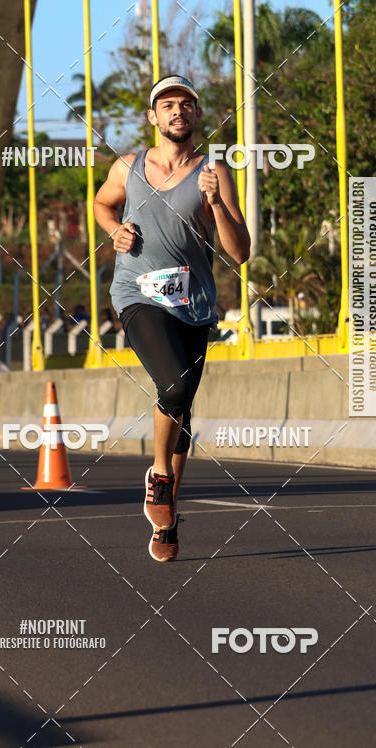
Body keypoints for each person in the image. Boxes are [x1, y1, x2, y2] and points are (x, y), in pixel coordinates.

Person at [94, 74, 250, 561]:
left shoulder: (214, 172)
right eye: (167, 105)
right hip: (137, 295)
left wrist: (217, 203)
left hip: (194, 303)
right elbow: (101, 202)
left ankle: (168, 519)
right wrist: (114, 229)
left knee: (181, 408)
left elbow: (240, 252)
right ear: (152, 117)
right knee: (176, 388)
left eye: (186, 105)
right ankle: (159, 476)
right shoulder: (128, 165)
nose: (177, 112)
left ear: (196, 115)